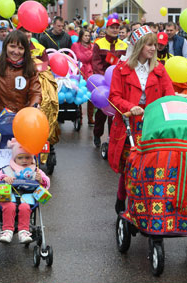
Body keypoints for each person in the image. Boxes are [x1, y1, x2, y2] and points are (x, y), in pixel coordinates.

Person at [108, 26, 174, 212]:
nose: (153, 48)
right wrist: (131, 107)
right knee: (130, 166)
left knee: (154, 166)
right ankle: (122, 199)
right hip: (130, 123)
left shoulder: (159, 69)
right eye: (149, 44)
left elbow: (168, 95)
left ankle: (149, 204)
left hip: (153, 125)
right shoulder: (121, 69)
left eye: (155, 44)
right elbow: (114, 96)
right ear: (138, 46)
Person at [0, 139, 51, 245]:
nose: (24, 160)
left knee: (25, 208)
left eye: (27, 157)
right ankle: (7, 231)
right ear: (14, 158)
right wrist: (4, 178)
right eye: (20, 158)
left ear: (32, 158)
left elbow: (46, 182)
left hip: (27, 197)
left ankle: (24, 231)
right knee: (9, 206)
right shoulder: (7, 169)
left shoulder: (36, 170)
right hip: (9, 195)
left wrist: (41, 180)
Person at [0, 30, 42, 115]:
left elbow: (35, 92)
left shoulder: (31, 66)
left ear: (25, 50)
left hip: (23, 118)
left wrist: (35, 105)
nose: (16, 51)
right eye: (12, 46)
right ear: (5, 46)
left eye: (21, 48)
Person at [91, 15, 128, 148]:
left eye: (117, 28)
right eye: (112, 27)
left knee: (116, 113)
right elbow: (96, 63)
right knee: (101, 113)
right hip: (103, 83)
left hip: (118, 83)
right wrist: (104, 80)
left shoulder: (123, 45)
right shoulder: (99, 44)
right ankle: (97, 134)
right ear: (106, 28)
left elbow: (125, 63)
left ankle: (113, 139)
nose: (115, 30)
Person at [73, 27, 96, 124]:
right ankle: (79, 117)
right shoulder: (75, 45)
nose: (87, 37)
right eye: (85, 35)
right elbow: (72, 58)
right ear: (81, 36)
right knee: (79, 93)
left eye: (88, 36)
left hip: (90, 71)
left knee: (91, 95)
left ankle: (90, 118)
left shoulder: (92, 46)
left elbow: (94, 59)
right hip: (79, 71)